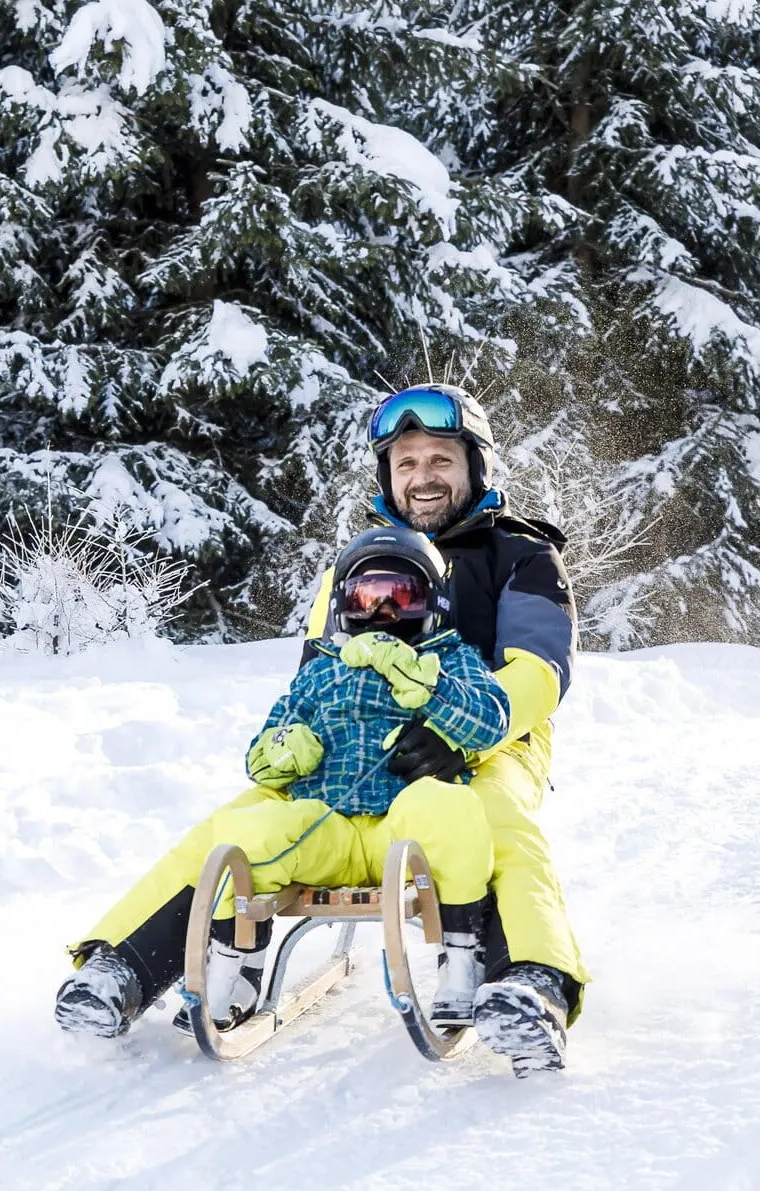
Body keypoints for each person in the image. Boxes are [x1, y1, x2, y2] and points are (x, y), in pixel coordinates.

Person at [57, 383, 589, 1074]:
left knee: (496, 820)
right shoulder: (357, 564)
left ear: (474, 467)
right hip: (354, 741)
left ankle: (534, 984)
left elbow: (540, 673)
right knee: (243, 817)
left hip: (490, 738)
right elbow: (315, 666)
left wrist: (459, 735)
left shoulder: (521, 555)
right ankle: (118, 968)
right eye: (406, 463)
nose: (422, 476)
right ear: (388, 476)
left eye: (439, 460)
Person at [55, 526, 511, 1038]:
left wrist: (425, 682)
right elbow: (262, 751)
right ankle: (237, 965)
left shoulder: (450, 659)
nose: (382, 614)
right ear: (344, 605)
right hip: (326, 827)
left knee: (452, 809)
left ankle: (462, 962)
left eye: (400, 598)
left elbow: (493, 720)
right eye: (368, 598)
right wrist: (283, 750)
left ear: (430, 605)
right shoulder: (321, 671)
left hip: (403, 826)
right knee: (246, 831)